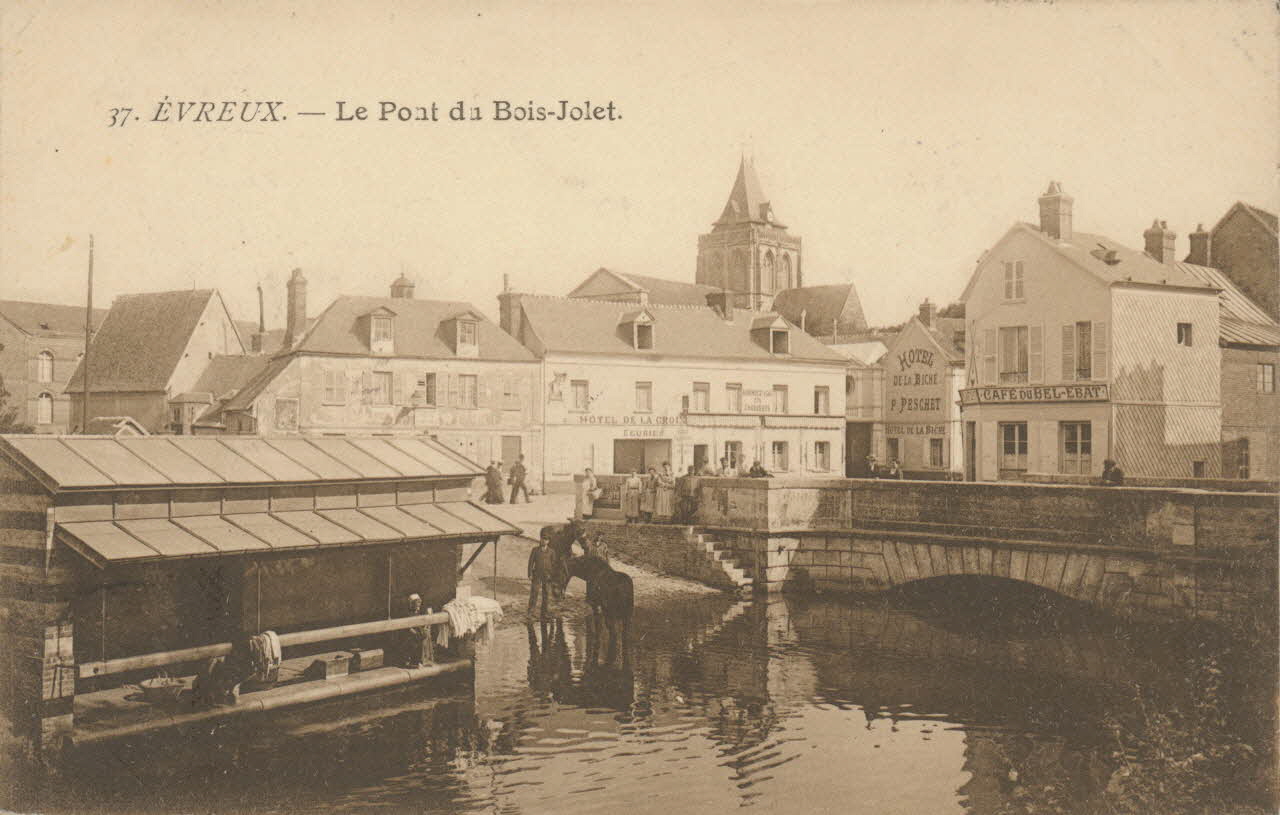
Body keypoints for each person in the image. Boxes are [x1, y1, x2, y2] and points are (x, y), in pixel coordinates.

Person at [528, 529, 566, 617]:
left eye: (546, 539)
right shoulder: (535, 550)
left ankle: (544, 612)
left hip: (547, 576)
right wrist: (530, 574)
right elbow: (530, 563)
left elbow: (554, 565)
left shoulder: (551, 552)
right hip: (537, 575)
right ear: (540, 539)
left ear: (548, 541)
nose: (543, 541)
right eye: (542, 539)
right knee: (534, 593)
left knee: (546, 594)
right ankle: (530, 612)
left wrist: (553, 576)